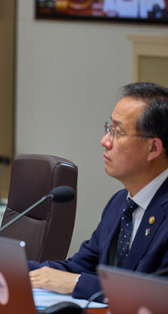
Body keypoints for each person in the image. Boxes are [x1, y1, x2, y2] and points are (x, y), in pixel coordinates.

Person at [29, 82, 168, 300]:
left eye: (118, 132)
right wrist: (16, 270)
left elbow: (156, 293)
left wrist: (76, 283)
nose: (105, 141)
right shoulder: (120, 202)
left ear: (153, 148)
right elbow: (81, 265)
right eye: (108, 129)